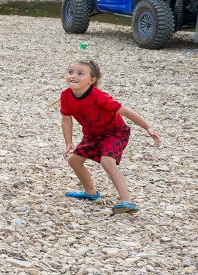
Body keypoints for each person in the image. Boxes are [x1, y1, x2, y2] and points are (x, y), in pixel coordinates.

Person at [61, 56, 160, 213]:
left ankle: (126, 201)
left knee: (107, 161)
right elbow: (66, 120)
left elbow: (125, 112)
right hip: (92, 136)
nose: (73, 76)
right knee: (74, 161)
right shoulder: (66, 96)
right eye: (70, 72)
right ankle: (90, 193)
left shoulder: (99, 96)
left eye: (80, 73)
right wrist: (68, 142)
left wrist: (148, 127)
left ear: (92, 80)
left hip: (115, 133)